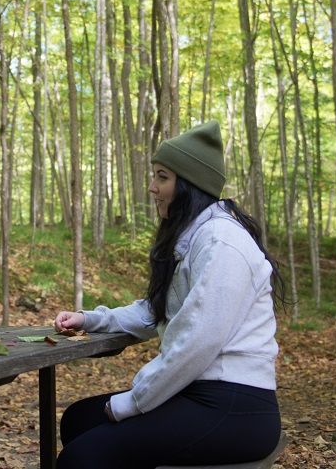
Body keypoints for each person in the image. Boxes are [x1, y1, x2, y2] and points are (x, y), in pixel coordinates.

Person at [52, 120, 286, 469]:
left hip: (235, 406)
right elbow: (157, 310)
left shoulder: (222, 242)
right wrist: (92, 319)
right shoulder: (195, 238)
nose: (152, 187)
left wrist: (132, 402)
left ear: (189, 185)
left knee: (82, 458)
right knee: (77, 420)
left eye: (162, 177)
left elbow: (198, 341)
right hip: (200, 393)